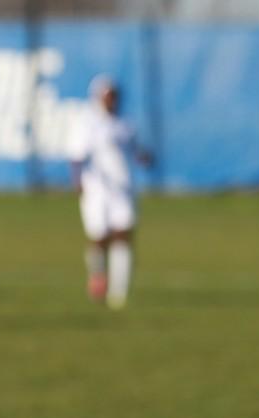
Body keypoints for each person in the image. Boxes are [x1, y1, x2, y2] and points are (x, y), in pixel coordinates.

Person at [69, 74, 151, 311]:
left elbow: (135, 151)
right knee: (100, 238)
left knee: (123, 235)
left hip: (122, 189)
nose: (111, 100)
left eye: (114, 96)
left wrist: (143, 158)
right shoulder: (88, 123)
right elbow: (77, 156)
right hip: (97, 190)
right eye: (107, 96)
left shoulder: (125, 123)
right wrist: (78, 181)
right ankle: (98, 275)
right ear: (97, 97)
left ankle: (119, 293)